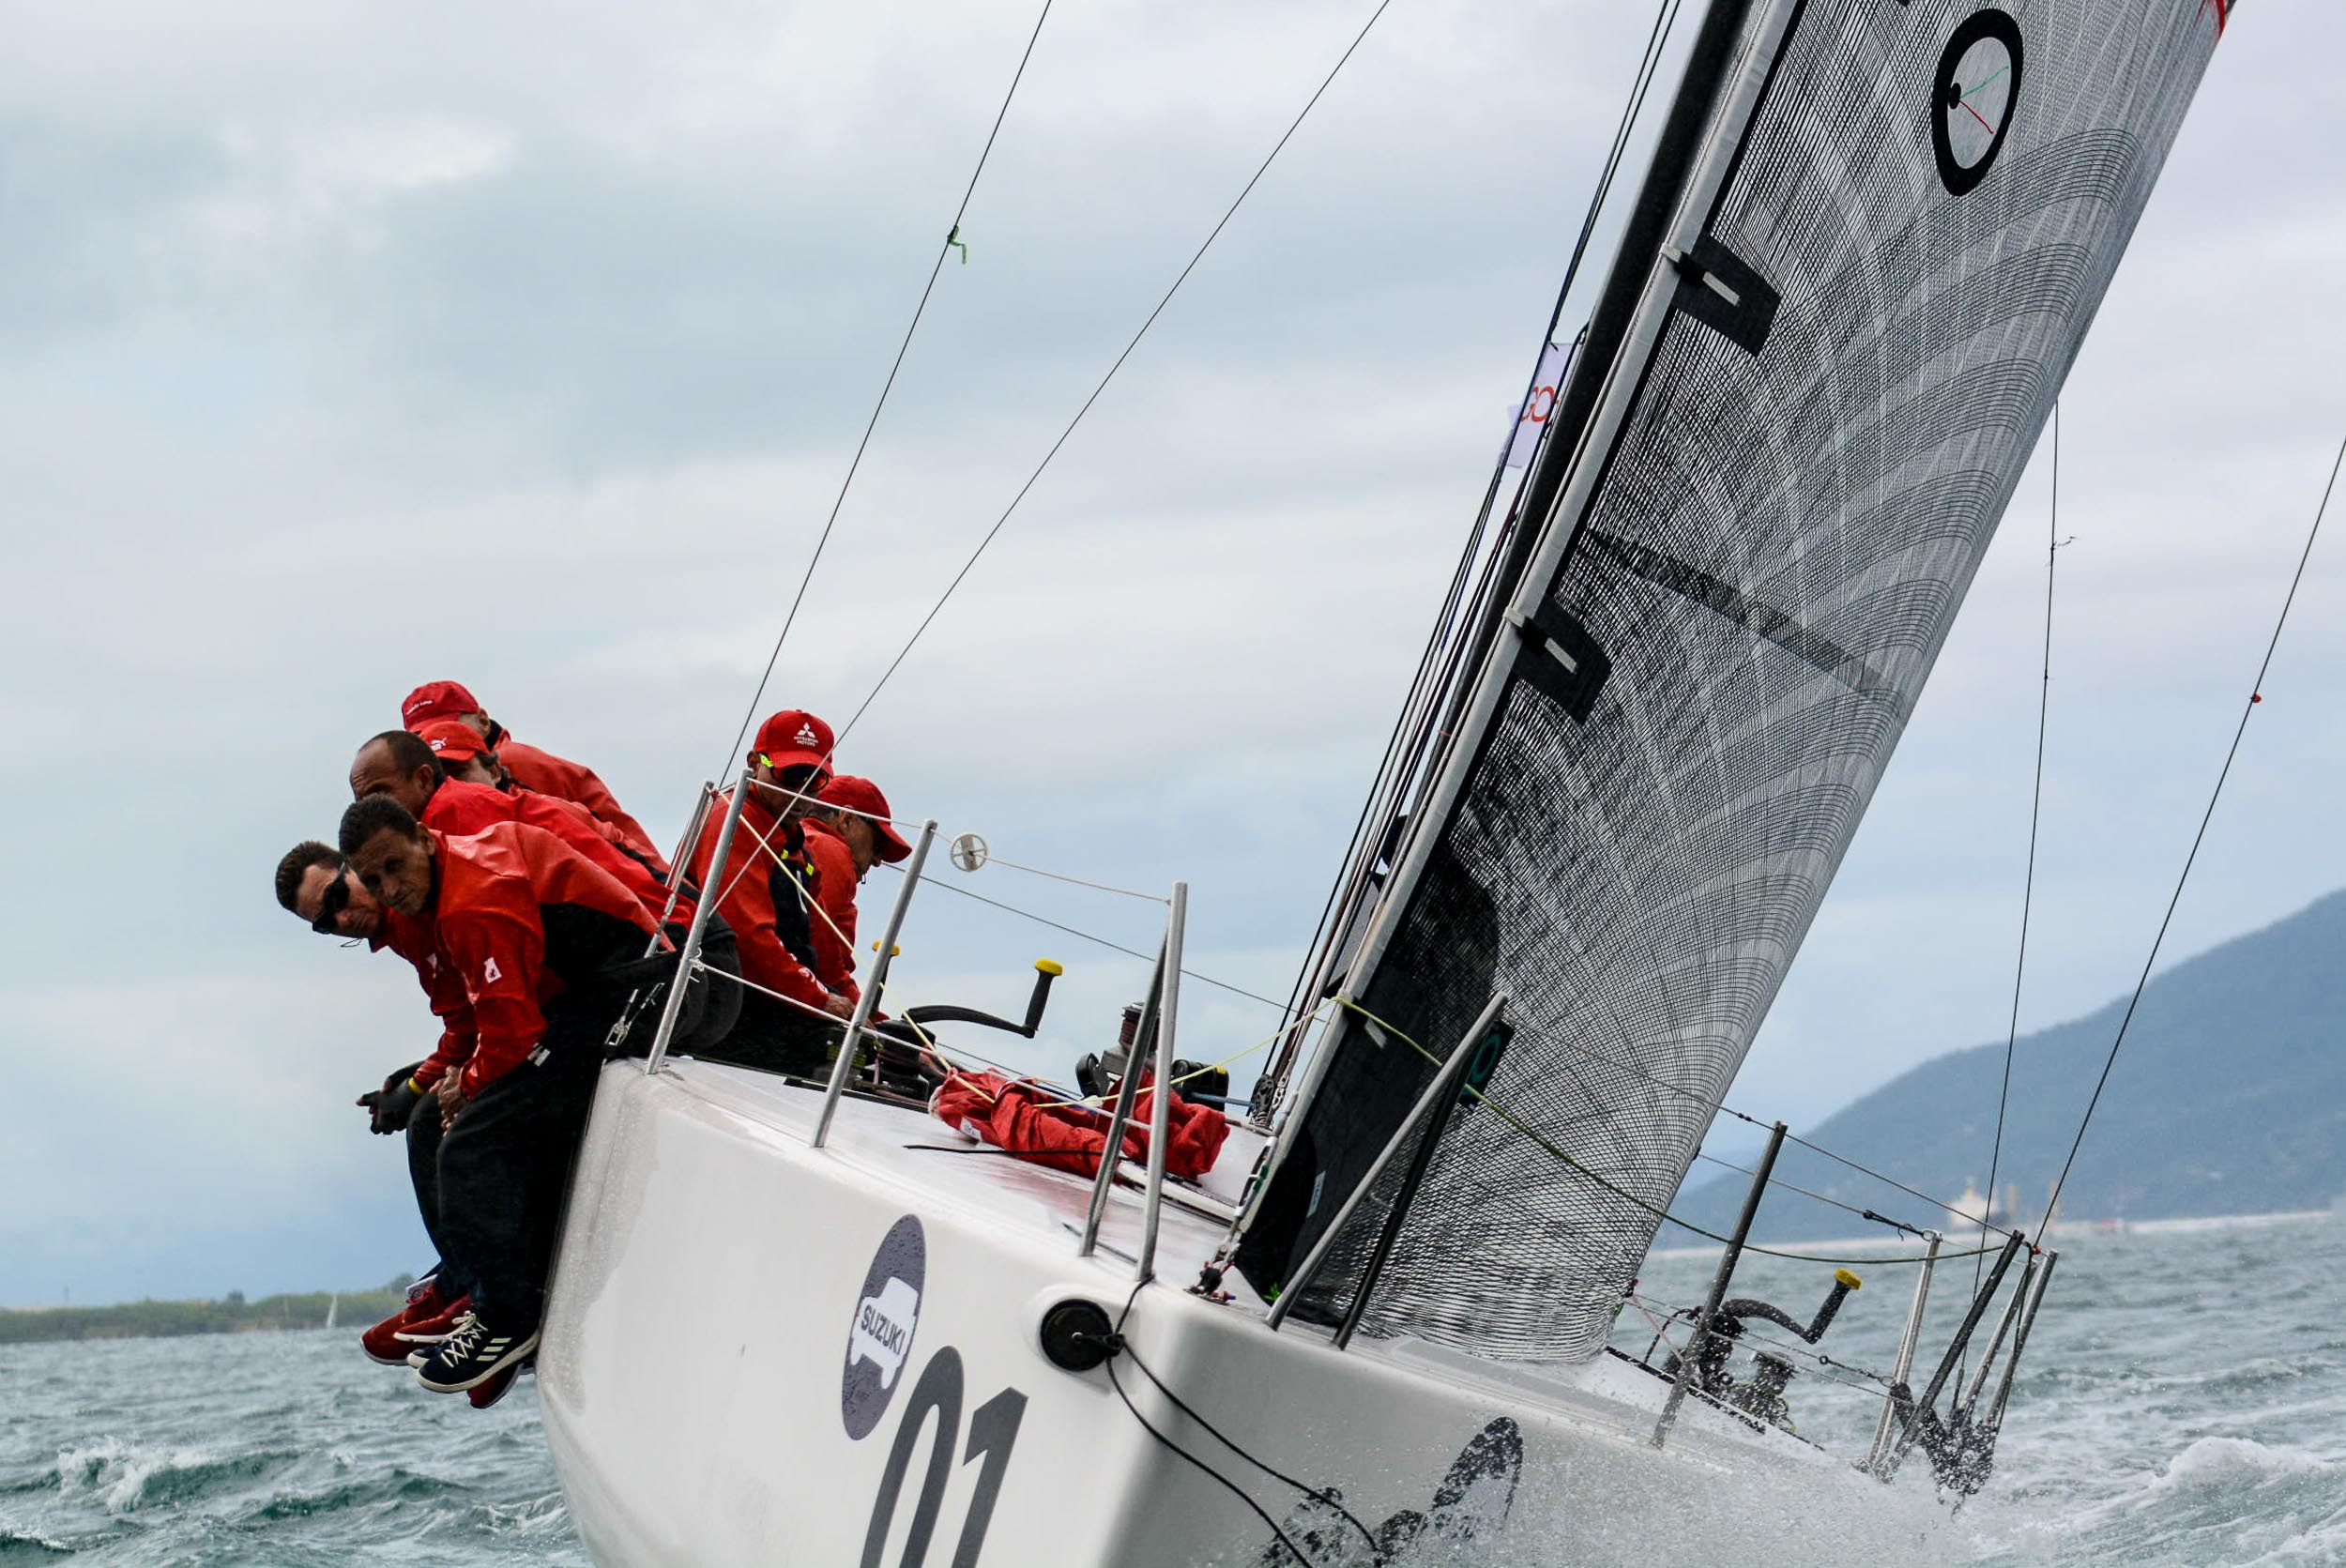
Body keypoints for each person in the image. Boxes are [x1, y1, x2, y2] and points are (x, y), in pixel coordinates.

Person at [339, 797, 659, 1393]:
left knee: (471, 1144)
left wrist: (471, 1083)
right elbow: (480, 1022)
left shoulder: (468, 899)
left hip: (646, 995)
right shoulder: (441, 894)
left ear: (424, 838)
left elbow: (513, 1036)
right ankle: (477, 1291)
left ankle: (507, 1319)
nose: (389, 889)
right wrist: (441, 1083)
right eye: (373, 879)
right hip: (588, 1002)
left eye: (394, 866)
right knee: (434, 1122)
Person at [349, 729, 679, 917]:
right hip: (659, 924)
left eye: (380, 792)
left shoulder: (454, 814)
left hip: (662, 934)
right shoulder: (448, 819)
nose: (373, 810)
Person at [683, 709, 852, 1075]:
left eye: (813, 781)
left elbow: (823, 942)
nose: (800, 793)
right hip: (724, 1014)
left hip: (774, 1007)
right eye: (790, 776)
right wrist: (820, 999)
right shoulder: (734, 820)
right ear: (753, 764)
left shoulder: (798, 846)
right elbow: (747, 934)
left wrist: (860, 1008)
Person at [402, 680, 667, 875]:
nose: (436, 741)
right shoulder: (477, 775)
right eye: (422, 738)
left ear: (483, 720)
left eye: (448, 725)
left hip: (643, 888)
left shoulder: (511, 764)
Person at [806, 775, 914, 1005]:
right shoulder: (829, 849)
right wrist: (865, 1019)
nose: (877, 861)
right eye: (877, 845)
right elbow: (818, 952)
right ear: (846, 820)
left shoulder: (797, 840)